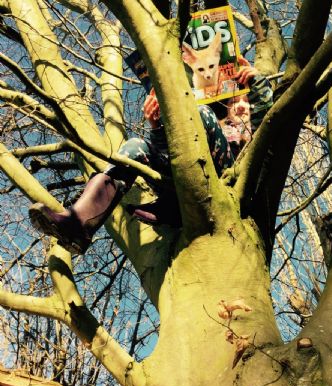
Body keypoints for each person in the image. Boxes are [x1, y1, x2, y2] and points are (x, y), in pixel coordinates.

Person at [29, 56, 273, 254]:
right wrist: (156, 125)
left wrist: (257, 82)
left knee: (201, 113)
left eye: (246, 101)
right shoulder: (216, 123)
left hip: (228, 187)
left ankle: (170, 209)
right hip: (184, 182)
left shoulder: (255, 131)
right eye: (235, 101)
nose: (241, 105)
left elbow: (269, 116)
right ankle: (78, 224)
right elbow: (170, 152)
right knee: (135, 145)